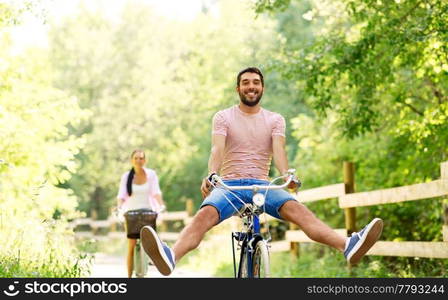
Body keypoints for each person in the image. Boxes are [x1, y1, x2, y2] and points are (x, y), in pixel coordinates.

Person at [141, 67, 383, 276]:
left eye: (256, 82)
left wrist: (288, 175)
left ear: (262, 88)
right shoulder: (223, 117)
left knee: (300, 211)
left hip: (263, 185)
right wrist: (212, 174)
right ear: (238, 89)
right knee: (203, 217)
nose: (251, 86)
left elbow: (279, 152)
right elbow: (217, 148)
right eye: (245, 82)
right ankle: (171, 256)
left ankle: (348, 246)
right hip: (230, 186)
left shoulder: (275, 119)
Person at [116, 149, 166, 278]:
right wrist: (119, 208)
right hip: (131, 214)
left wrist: (161, 205)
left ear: (145, 160)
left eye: (141, 158)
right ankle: (128, 277)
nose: (139, 161)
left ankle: (150, 265)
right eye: (136, 158)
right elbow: (121, 196)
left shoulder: (151, 175)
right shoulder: (126, 177)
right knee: (131, 246)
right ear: (132, 160)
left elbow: (156, 193)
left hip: (148, 213)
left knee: (150, 243)